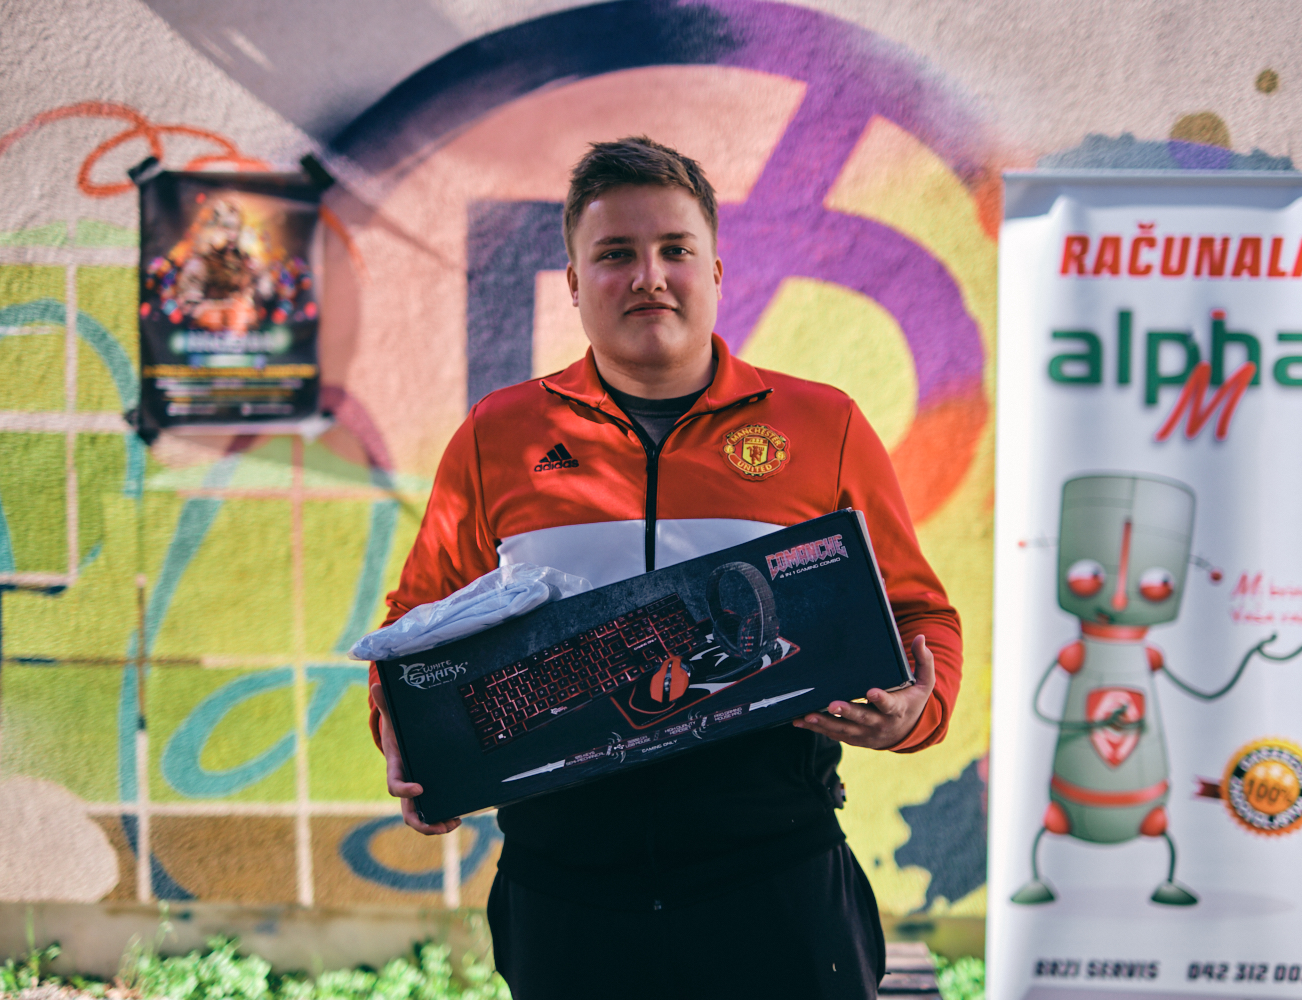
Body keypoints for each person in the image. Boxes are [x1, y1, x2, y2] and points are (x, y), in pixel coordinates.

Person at [367, 136, 963, 1000]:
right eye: (615, 254)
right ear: (574, 283)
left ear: (714, 270)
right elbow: (414, 630)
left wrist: (915, 712)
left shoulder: (821, 425)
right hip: (566, 889)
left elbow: (918, 614)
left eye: (674, 250)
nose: (648, 277)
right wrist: (406, 736)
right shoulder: (499, 436)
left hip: (774, 875)